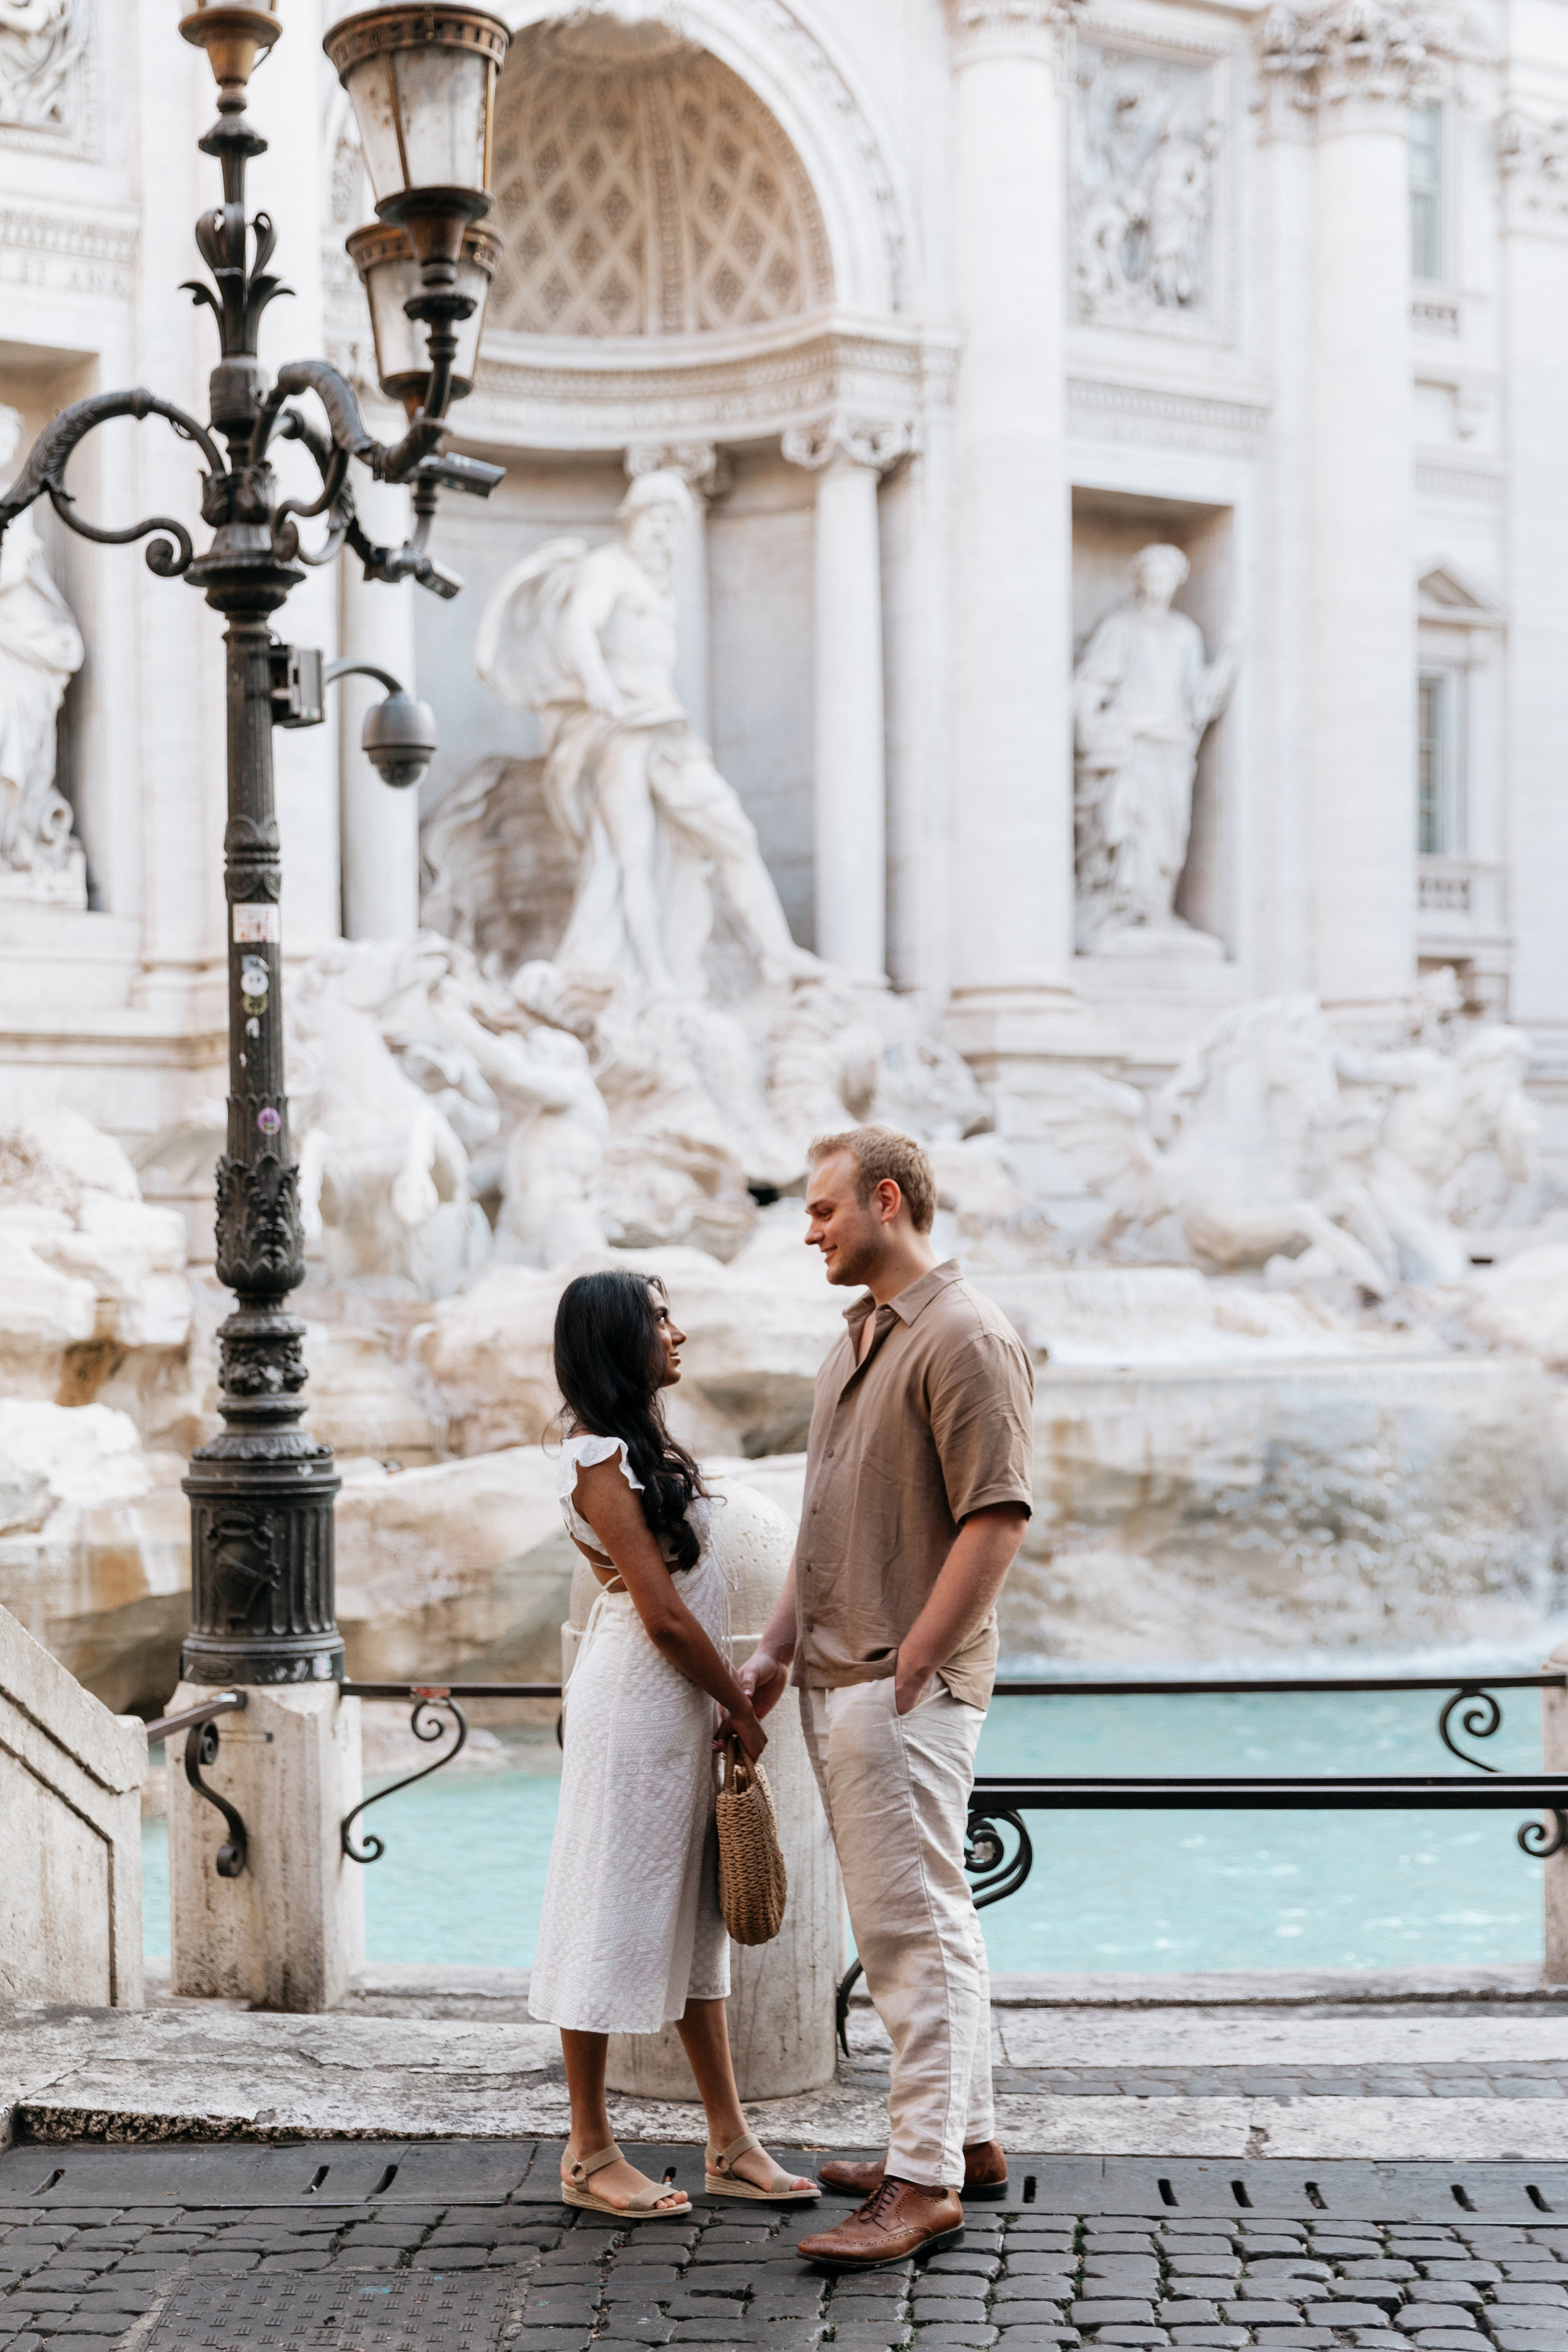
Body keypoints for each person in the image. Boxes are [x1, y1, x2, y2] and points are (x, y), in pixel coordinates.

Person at [738, 1128, 1035, 2269]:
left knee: (911, 1931)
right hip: (840, 1672)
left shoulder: (965, 1334)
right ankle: (966, 2142)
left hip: (897, 1684)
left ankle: (923, 2184)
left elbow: (996, 1517)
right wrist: (776, 1649)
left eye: (823, 1209)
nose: (808, 1230)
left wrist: (914, 1661)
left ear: (889, 1200)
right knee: (918, 1919)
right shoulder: (859, 1336)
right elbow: (822, 1519)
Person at [529, 1268, 820, 2217]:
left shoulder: (639, 1451)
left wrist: (720, 1701)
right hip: (637, 1704)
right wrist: (740, 1705)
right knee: (605, 1914)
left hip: (675, 1701)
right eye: (659, 1319)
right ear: (619, 1338)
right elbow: (657, 1613)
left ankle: (730, 2142)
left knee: (696, 1924)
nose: (677, 1332)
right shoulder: (597, 1459)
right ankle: (587, 2151)